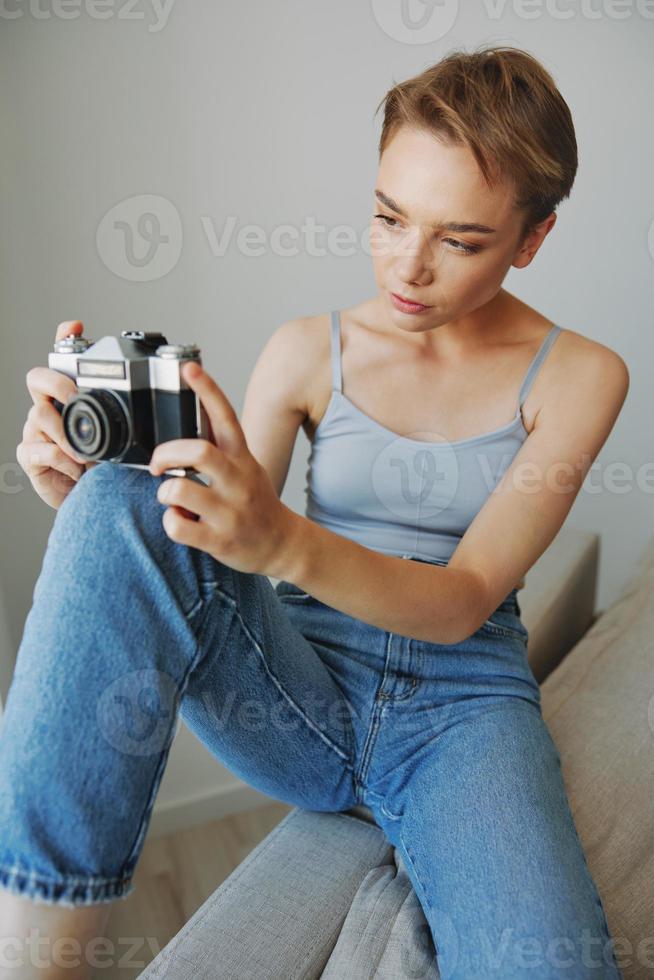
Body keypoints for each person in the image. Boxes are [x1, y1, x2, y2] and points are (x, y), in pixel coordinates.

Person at [2, 44, 629, 979]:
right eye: (387, 218)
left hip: (463, 714)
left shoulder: (581, 374)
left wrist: (285, 540)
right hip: (297, 691)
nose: (407, 267)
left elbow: (464, 598)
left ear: (531, 239)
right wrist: (88, 495)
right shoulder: (305, 351)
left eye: (459, 241)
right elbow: (218, 529)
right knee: (120, 496)